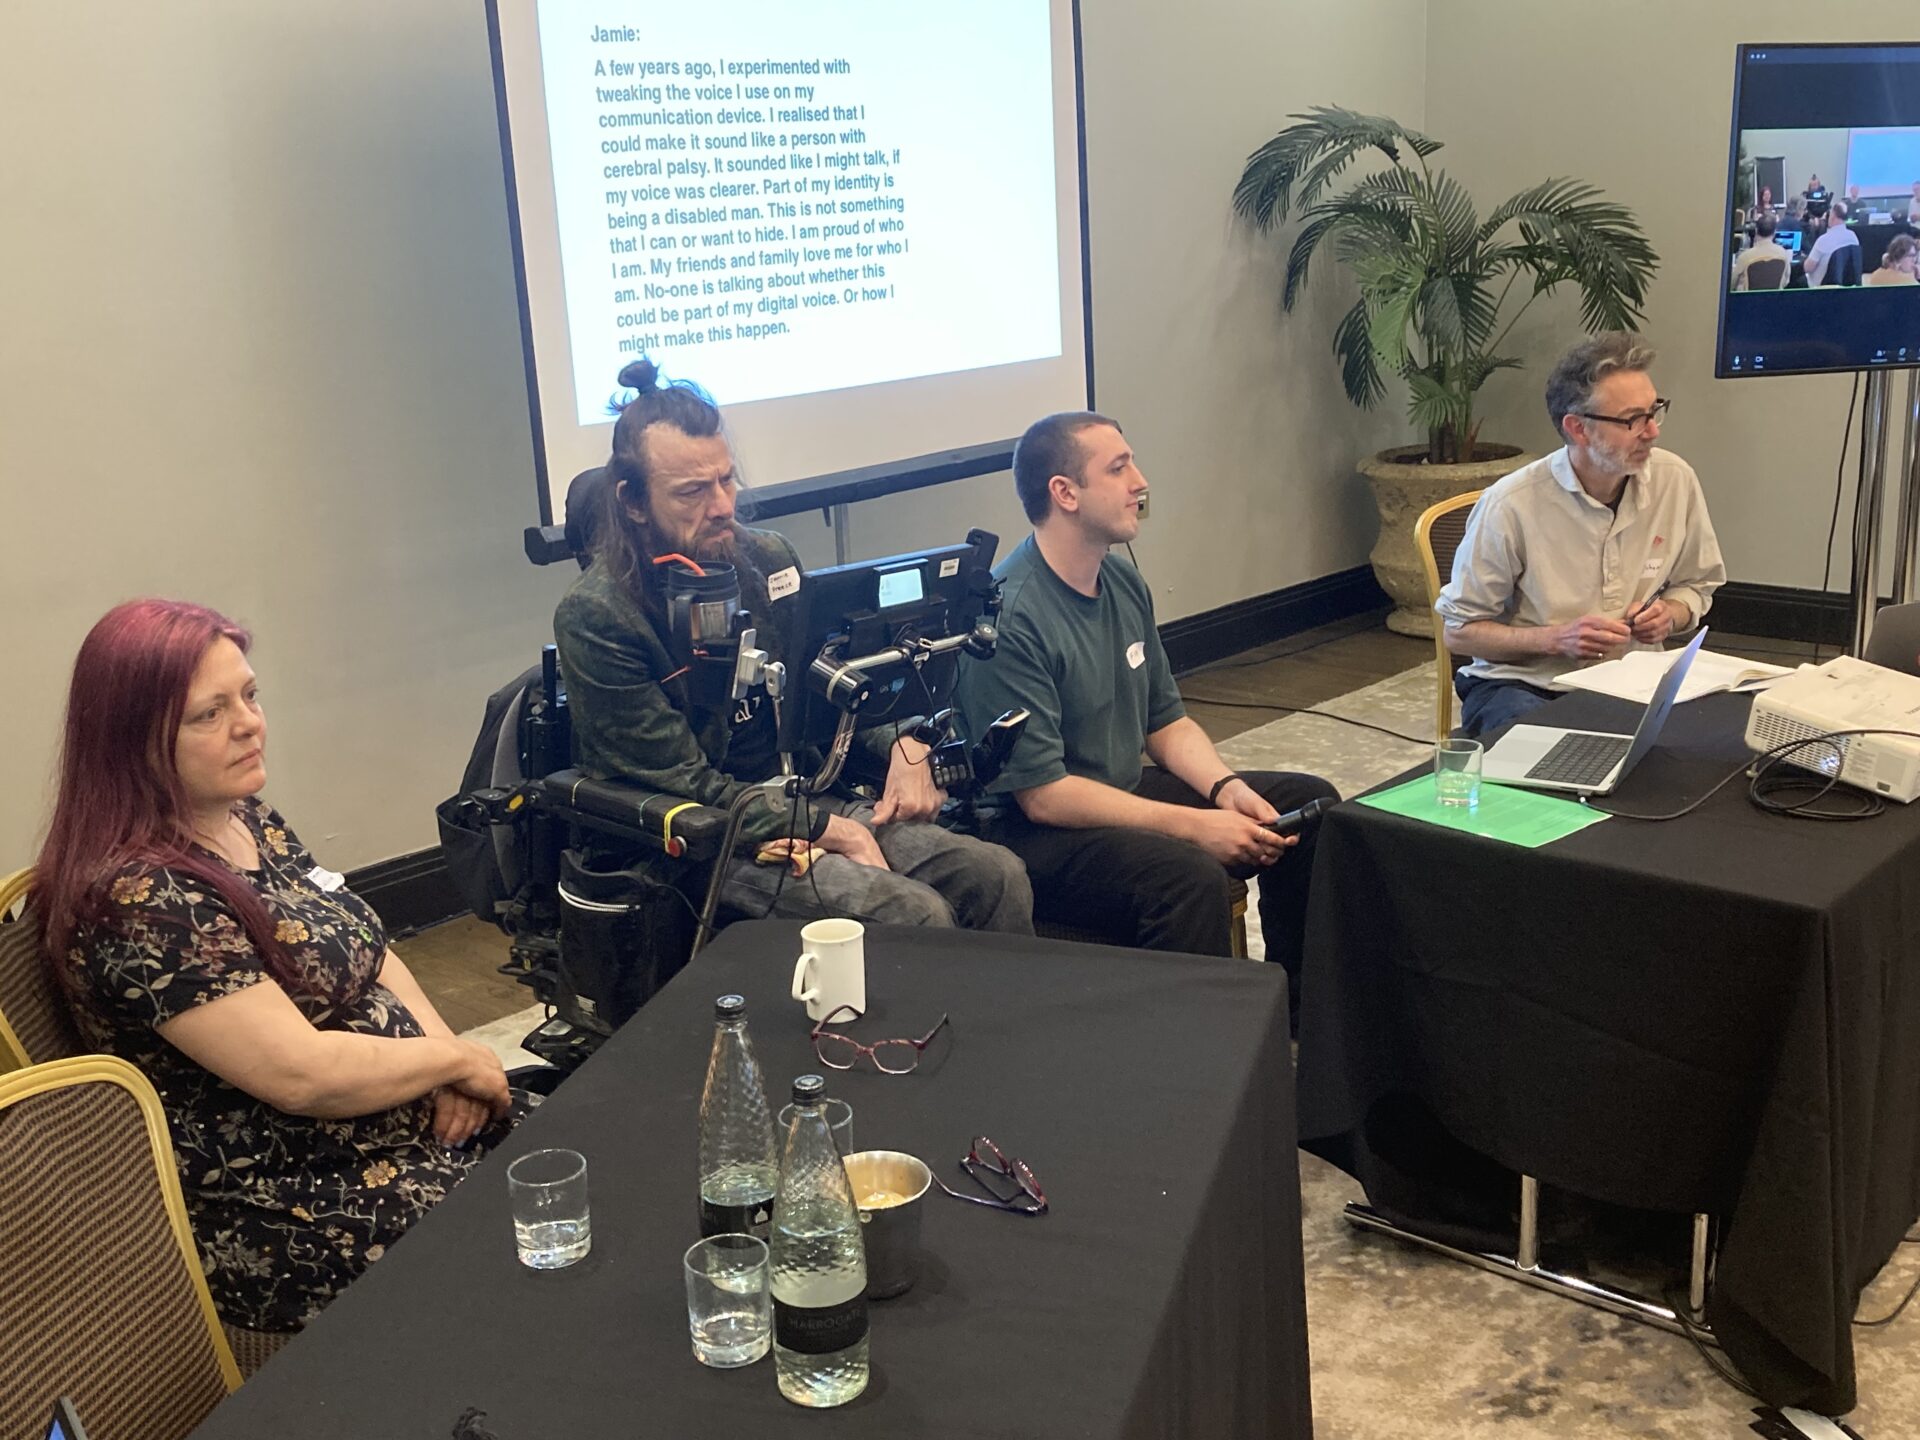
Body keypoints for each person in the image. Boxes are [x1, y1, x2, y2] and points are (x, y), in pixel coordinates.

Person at [36, 600, 517, 1334]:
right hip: (290, 1191)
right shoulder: (140, 900)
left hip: (398, 1124)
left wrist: (447, 1061)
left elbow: (370, 949)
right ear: (131, 740)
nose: (250, 724)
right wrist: (452, 1059)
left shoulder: (243, 816)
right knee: (535, 1257)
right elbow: (303, 1076)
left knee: (588, 1156)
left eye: (250, 696)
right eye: (209, 714)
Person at [552, 358, 1031, 934]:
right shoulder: (598, 617)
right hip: (705, 837)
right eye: (693, 491)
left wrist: (906, 745)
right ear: (632, 503)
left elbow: (827, 690)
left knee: (996, 874)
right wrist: (833, 831)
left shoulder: (767, 560)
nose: (723, 505)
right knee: (912, 912)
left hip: (801, 795)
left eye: (726, 480)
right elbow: (684, 783)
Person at [954, 411, 1339, 993]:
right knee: (1187, 877)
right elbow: (1043, 797)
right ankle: (1195, 1062)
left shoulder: (1122, 582)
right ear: (1065, 493)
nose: (1141, 481)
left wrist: (1226, 790)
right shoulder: (1010, 616)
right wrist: (1194, 826)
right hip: (1033, 832)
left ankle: (1298, 1018)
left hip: (1114, 791)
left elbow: (1167, 722)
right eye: (1118, 468)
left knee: (1309, 806)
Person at [1435, 334, 1726, 738]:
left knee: (1711, 745)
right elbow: (1459, 631)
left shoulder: (1674, 480)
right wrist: (1557, 639)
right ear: (1578, 429)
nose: (1652, 431)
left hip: (1634, 681)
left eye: (1654, 411)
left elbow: (1697, 584)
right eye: (1632, 420)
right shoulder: (1512, 504)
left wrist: (1671, 615)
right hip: (1526, 685)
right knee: (1550, 751)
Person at [1804, 200, 1861, 286]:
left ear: (1833, 215)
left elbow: (1808, 268)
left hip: (1820, 289)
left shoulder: (1823, 240)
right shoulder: (1853, 237)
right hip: (1847, 288)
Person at [1731, 212, 1792, 290]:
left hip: (1747, 300)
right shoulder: (1783, 253)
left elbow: (1731, 284)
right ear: (1774, 232)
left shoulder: (1744, 257)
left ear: (1756, 230)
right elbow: (1786, 281)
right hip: (1774, 299)